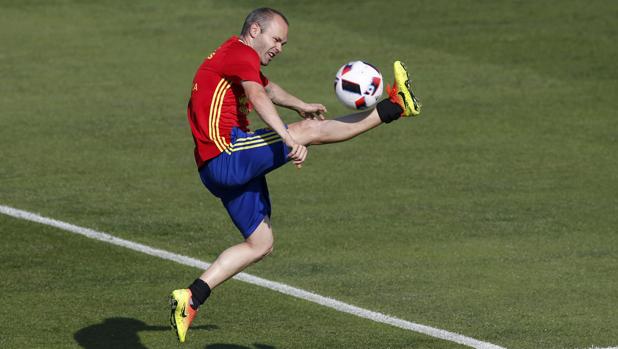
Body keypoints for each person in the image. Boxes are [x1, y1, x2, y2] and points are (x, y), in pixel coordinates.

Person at [169, 7, 421, 343]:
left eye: (284, 43)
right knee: (308, 132)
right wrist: (289, 137)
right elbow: (258, 96)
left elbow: (268, 90)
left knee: (261, 243)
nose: (279, 48)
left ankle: (191, 298)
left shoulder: (236, 56)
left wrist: (299, 104)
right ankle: (395, 106)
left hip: (215, 168)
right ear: (255, 30)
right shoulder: (240, 53)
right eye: (276, 39)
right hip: (226, 154)